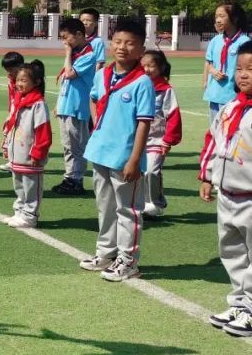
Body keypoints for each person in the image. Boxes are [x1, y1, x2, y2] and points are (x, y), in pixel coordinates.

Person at [79, 19, 155, 282]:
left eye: (130, 43)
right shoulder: (103, 75)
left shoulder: (142, 82)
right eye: (119, 42)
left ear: (141, 49)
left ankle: (128, 260)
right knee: (105, 207)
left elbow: (144, 122)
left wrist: (135, 158)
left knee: (128, 210)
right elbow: (94, 98)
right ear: (111, 44)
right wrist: (98, 127)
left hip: (125, 157)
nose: (123, 47)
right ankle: (106, 252)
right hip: (100, 151)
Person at [199, 40, 252, 337]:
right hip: (227, 193)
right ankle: (239, 303)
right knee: (231, 251)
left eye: (251, 69)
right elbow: (213, 140)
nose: (243, 75)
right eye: (240, 68)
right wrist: (207, 176)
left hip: (250, 195)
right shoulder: (232, 106)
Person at [2, 60, 52, 229]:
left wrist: (38, 152)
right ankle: (19, 211)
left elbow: (43, 132)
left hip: (31, 156)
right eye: (18, 80)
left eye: (24, 80)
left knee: (31, 187)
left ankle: (30, 215)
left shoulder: (38, 105)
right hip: (18, 153)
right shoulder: (19, 101)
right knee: (19, 185)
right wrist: (7, 145)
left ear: (36, 82)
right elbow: (12, 126)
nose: (19, 84)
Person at [52, 18, 94, 196]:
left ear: (78, 34)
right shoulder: (78, 54)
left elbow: (69, 74)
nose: (64, 42)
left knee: (76, 146)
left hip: (77, 107)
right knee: (68, 145)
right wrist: (59, 104)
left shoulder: (88, 56)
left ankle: (76, 179)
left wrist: (67, 53)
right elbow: (65, 81)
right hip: (67, 105)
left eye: (66, 37)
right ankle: (70, 177)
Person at [142, 50, 182, 219]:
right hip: (138, 139)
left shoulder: (166, 90)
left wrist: (168, 140)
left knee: (152, 171)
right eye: (143, 65)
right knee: (140, 172)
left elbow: (173, 115)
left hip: (158, 140)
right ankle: (143, 203)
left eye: (151, 66)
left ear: (161, 67)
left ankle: (156, 204)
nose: (147, 69)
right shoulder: (138, 85)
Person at [202, 3, 250, 125]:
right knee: (215, 131)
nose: (218, 20)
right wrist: (211, 72)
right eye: (216, 17)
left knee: (231, 132)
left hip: (233, 96)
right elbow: (209, 61)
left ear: (234, 18)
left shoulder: (244, 42)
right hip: (215, 94)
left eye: (222, 16)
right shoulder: (215, 40)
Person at [0, 52, 24, 172]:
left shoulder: (26, 80)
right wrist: (10, 113)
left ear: (20, 66)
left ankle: (20, 162)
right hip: (14, 111)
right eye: (6, 70)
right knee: (11, 136)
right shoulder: (11, 80)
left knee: (22, 138)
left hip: (24, 112)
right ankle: (13, 161)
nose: (8, 73)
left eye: (11, 69)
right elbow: (11, 98)